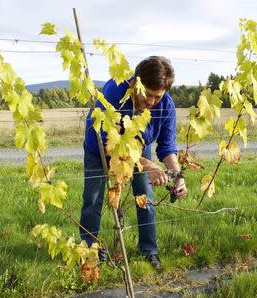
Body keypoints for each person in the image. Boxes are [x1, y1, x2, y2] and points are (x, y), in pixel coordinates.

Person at [80, 56, 187, 270]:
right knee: (93, 199)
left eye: (157, 97)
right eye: (147, 95)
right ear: (135, 83)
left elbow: (167, 146)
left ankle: (149, 251)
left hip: (138, 147)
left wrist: (178, 175)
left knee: (144, 197)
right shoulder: (114, 93)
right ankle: (88, 252)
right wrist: (148, 165)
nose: (151, 102)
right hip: (101, 146)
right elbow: (113, 145)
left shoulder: (166, 106)